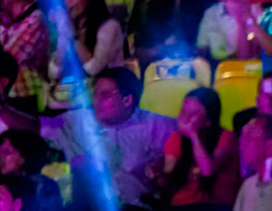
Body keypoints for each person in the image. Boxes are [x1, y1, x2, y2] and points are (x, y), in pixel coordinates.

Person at [38, 67, 175, 201]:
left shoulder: (157, 126)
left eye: (105, 96)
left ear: (127, 100)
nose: (95, 102)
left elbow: (177, 175)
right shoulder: (79, 121)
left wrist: (160, 171)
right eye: (95, 95)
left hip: (139, 210)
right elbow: (38, 126)